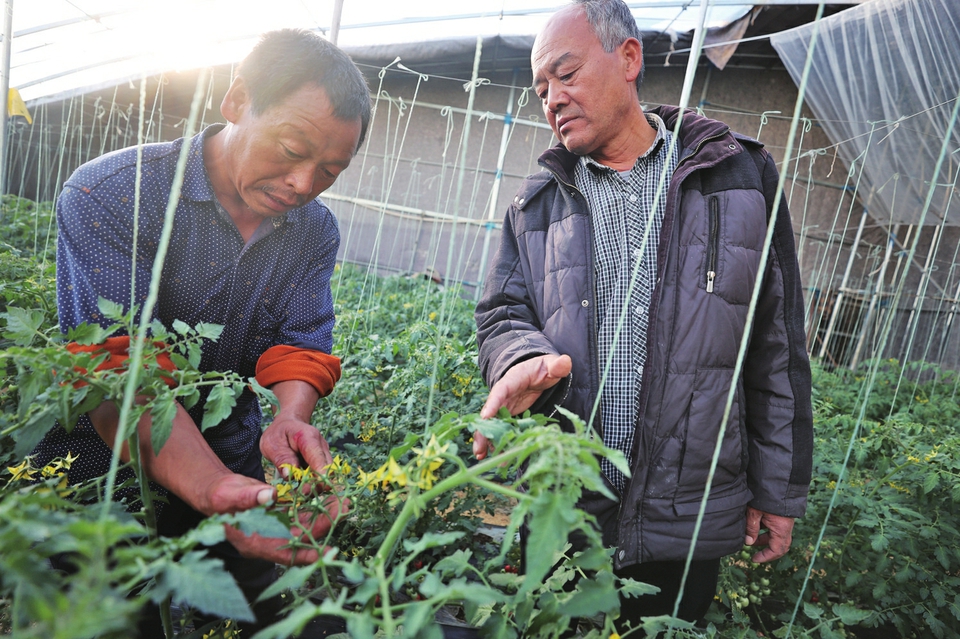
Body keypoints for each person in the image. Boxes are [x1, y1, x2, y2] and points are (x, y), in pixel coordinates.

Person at [473, 0, 812, 629]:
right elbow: (500, 311)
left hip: (685, 515)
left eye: (566, 74)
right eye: (541, 88)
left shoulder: (738, 177)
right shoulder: (537, 202)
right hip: (566, 507)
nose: (552, 98)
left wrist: (777, 489)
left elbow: (776, 343)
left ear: (628, 58)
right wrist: (521, 354)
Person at [32, 28, 371, 635]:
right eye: (291, 148)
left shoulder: (312, 230)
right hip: (100, 473)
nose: (303, 183)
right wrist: (210, 487)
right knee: (112, 617)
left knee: (274, 612)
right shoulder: (112, 194)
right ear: (237, 100)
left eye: (329, 170)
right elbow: (115, 373)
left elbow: (299, 342)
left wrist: (290, 418)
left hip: (229, 453)